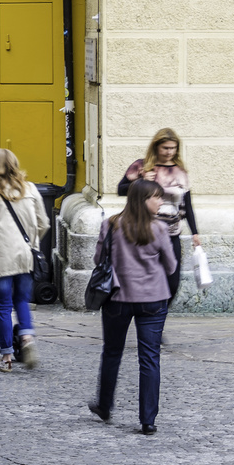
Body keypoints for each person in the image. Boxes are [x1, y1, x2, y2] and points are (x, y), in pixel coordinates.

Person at [91, 178, 177, 434]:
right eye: (156, 197)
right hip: (153, 299)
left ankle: (105, 406)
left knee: (112, 352)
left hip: (118, 298)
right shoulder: (160, 229)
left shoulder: (112, 224)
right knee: (150, 358)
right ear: (143, 200)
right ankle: (147, 419)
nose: (160, 201)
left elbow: (98, 259)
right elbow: (171, 266)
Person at [0, 148, 50, 372]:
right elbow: (44, 223)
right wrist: (32, 244)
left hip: (0, 256)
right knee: (22, 301)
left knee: (4, 307)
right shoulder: (30, 189)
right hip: (25, 255)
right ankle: (27, 338)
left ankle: (6, 357)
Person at [118, 128, 200, 301]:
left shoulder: (180, 172)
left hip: (172, 232)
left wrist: (195, 232)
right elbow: (121, 190)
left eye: (173, 148)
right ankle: (146, 312)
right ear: (156, 147)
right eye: (165, 148)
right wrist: (141, 181)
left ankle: (159, 313)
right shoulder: (142, 166)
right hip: (144, 229)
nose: (169, 152)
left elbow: (187, 205)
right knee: (144, 274)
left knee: (172, 280)